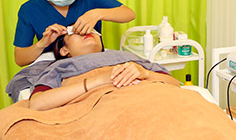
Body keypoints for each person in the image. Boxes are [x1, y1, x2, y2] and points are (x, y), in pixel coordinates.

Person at [28, 32, 177, 111]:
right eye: (75, 31)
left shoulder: (128, 57)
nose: (86, 31)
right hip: (107, 108)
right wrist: (99, 80)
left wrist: (147, 74)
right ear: (64, 50)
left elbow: (175, 84)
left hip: (154, 101)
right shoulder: (60, 66)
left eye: (91, 29)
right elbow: (37, 103)